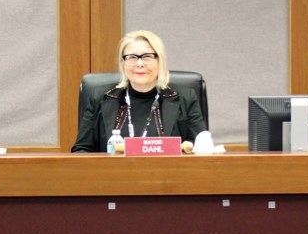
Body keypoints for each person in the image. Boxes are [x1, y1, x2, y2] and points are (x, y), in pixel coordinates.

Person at [72, 30, 208, 152]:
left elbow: (202, 149)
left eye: (147, 57)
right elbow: (81, 151)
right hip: (114, 177)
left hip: (169, 177)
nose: (139, 64)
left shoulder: (185, 97)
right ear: (123, 63)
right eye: (131, 57)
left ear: (160, 61)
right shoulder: (100, 98)